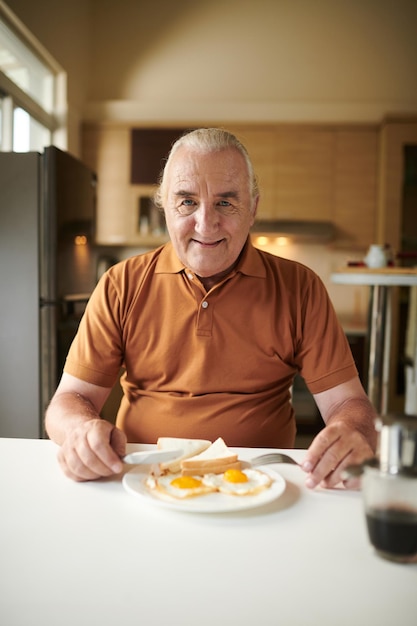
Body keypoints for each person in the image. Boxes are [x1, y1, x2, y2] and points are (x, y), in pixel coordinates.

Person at [45, 127, 377, 487]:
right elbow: (69, 400)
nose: (206, 224)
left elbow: (348, 404)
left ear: (252, 208)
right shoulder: (120, 284)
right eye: (187, 201)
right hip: (143, 479)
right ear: (165, 208)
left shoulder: (301, 288)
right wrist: (80, 431)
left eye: (225, 202)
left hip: (262, 483)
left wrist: (351, 432)